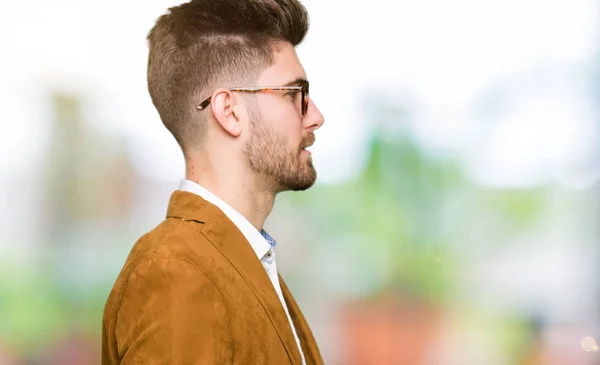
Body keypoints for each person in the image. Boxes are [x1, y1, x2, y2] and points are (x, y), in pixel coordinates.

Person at [101, 0, 325, 364]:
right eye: (292, 94)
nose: (315, 116)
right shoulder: (178, 272)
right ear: (229, 111)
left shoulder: (238, 259)